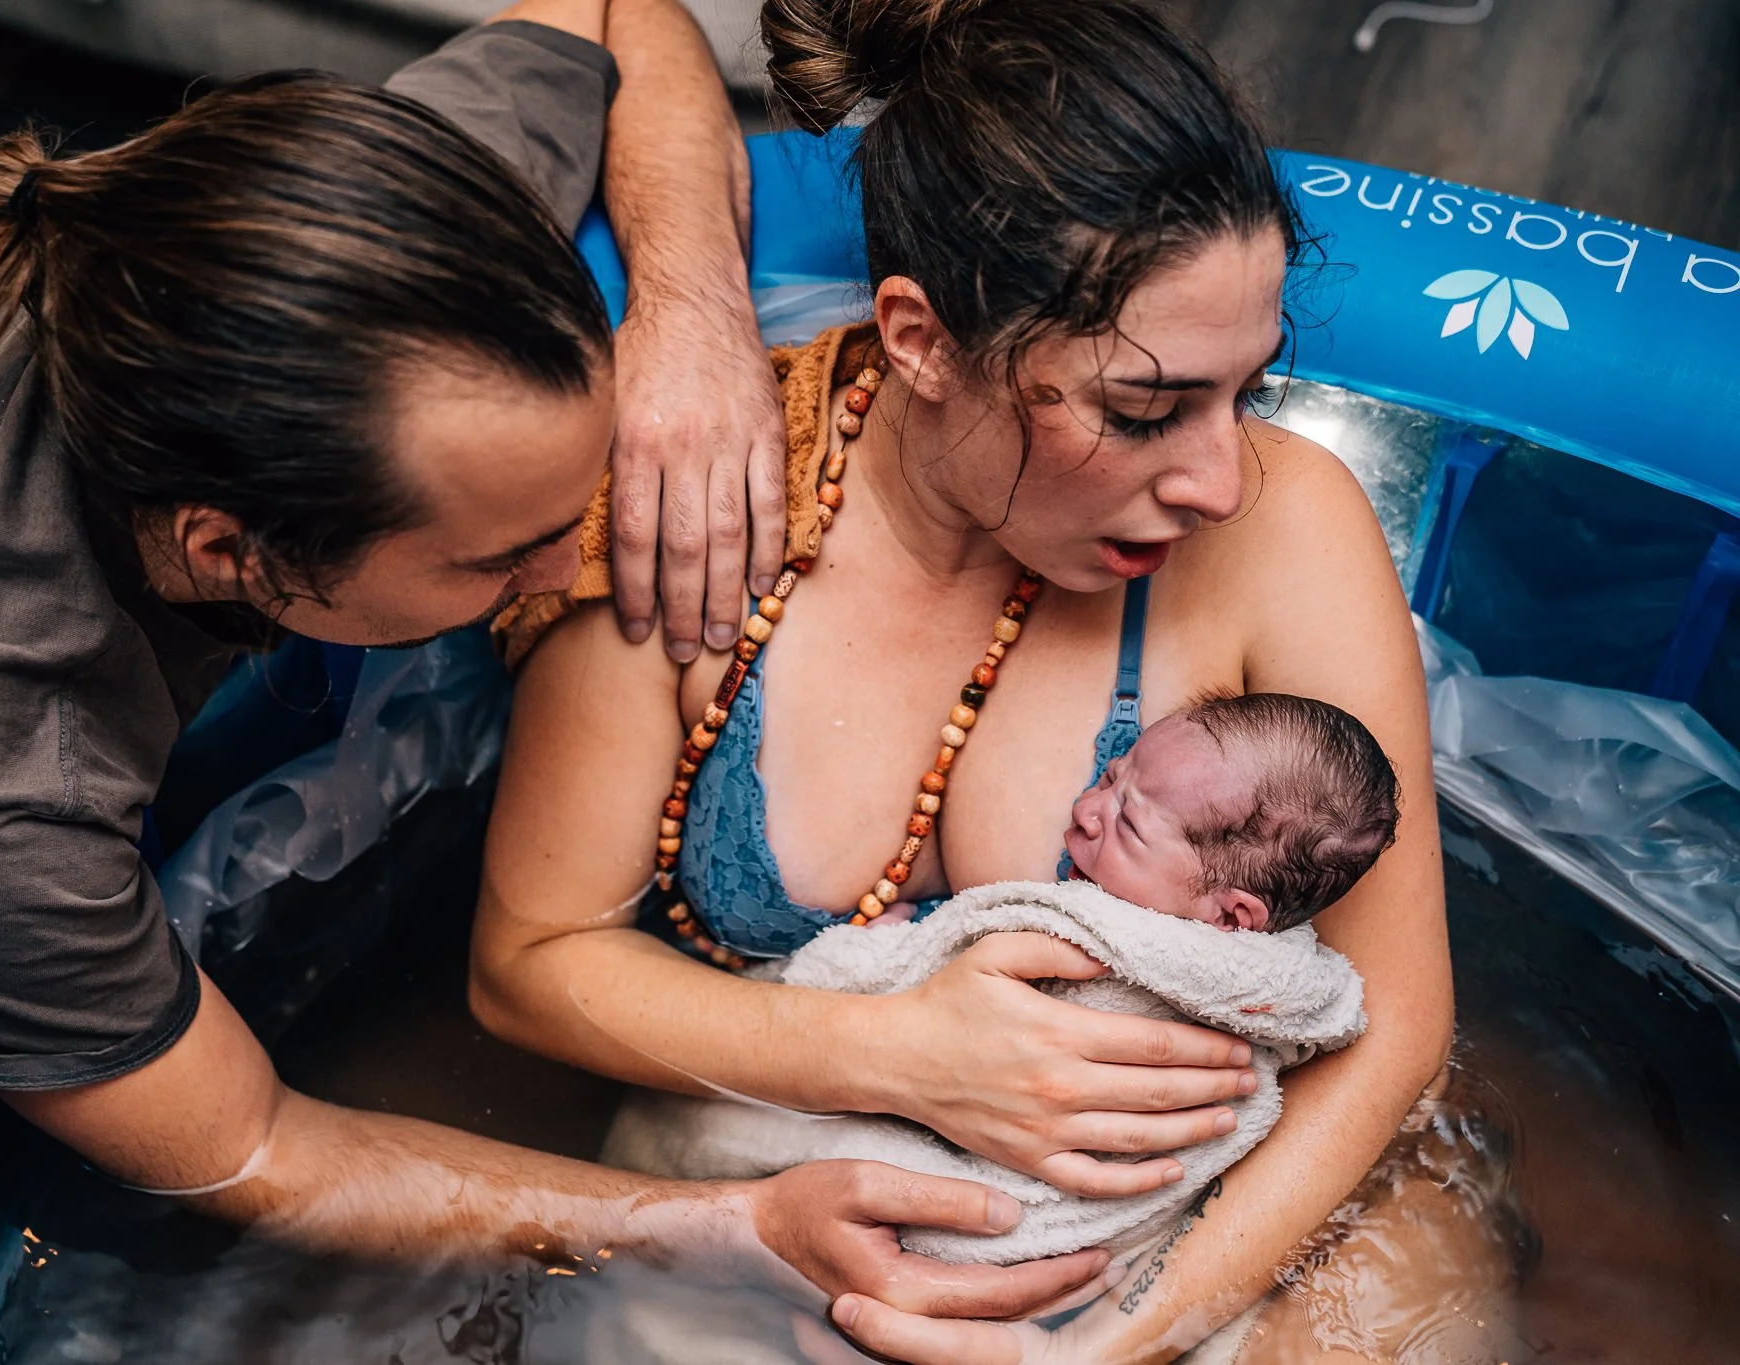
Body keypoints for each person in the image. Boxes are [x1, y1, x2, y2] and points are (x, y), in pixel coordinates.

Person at [0, 0, 1089, 1320]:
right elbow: (248, 1144)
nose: (568, 572)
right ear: (229, 552)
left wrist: (690, 317)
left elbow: (618, 10)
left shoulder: (378, 255)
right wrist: (736, 1224)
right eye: (503, 558)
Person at [474, 0, 1517, 1359]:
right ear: (919, 340)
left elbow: (1393, 1023)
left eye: (1247, 389)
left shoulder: (1284, 520)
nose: (1214, 476)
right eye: (1143, 411)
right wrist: (908, 1053)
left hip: (1211, 1216)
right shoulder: (708, 515)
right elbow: (530, 964)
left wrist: (1121, 1340)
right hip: (807, 1191)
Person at [1055, 692, 1400, 936]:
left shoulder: (1239, 1000)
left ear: (1231, 916)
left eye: (1128, 823)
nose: (1084, 810)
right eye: (1110, 777)